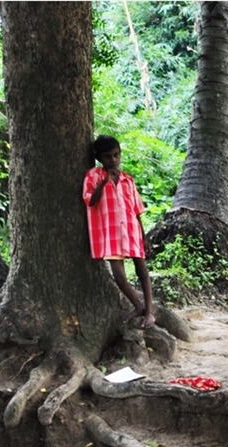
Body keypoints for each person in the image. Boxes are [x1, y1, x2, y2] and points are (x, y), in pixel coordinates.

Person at [82, 134, 155, 328]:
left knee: (142, 271)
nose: (113, 160)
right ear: (99, 158)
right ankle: (137, 306)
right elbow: (90, 200)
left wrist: (143, 236)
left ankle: (149, 312)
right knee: (119, 276)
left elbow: (137, 211)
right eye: (107, 156)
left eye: (116, 155)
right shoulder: (93, 176)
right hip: (111, 235)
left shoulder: (128, 180)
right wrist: (105, 181)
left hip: (131, 231)